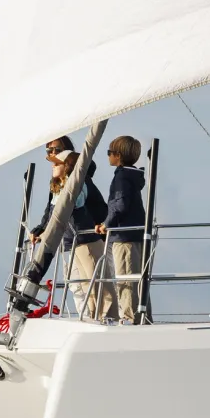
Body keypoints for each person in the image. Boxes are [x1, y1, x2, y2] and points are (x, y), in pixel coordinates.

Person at [29, 139, 107, 318]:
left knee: (91, 282)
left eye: (56, 150)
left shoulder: (79, 180)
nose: (51, 154)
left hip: (86, 238)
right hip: (67, 240)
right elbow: (52, 209)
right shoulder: (57, 182)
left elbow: (89, 207)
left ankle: (97, 319)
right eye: (48, 150)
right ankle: (86, 318)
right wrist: (41, 229)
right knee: (76, 284)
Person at [94, 135, 146, 323]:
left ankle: (130, 318)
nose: (108, 156)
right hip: (135, 234)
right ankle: (141, 316)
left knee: (126, 279)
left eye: (109, 152)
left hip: (124, 235)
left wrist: (106, 224)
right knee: (137, 279)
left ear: (118, 155)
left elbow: (120, 204)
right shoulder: (133, 176)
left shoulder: (122, 176)